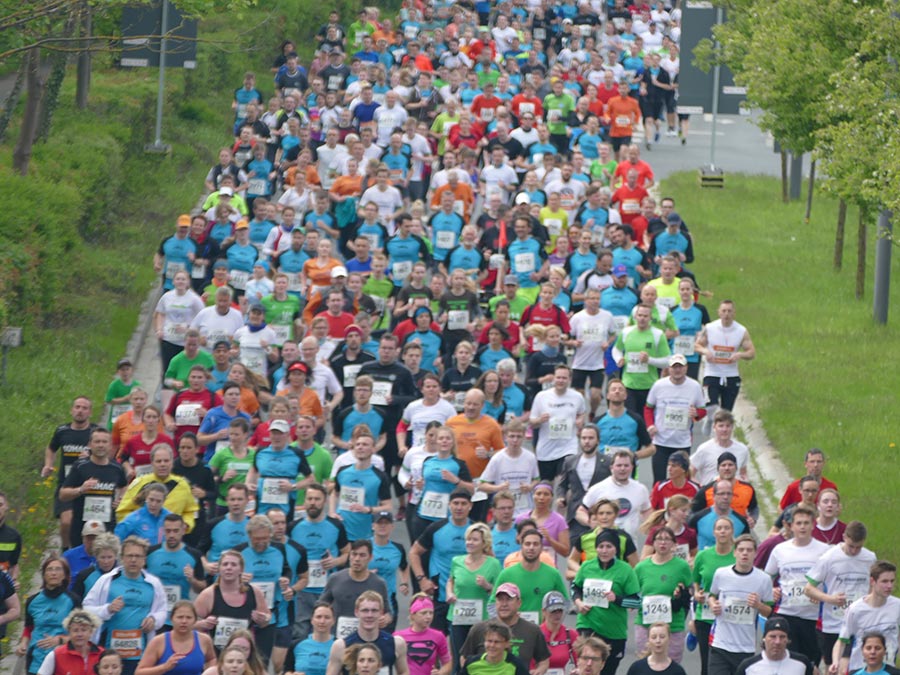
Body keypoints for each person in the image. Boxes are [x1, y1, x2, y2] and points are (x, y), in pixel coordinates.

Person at [83, 536, 167, 675]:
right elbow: (86, 608)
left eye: (138, 556)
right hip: (110, 652)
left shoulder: (153, 583)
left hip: (140, 652)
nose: (133, 560)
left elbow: (163, 611)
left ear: (144, 559)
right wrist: (107, 609)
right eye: (129, 556)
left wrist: (153, 619)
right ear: (122, 558)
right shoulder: (107, 580)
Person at [764, 505, 831, 665]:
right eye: (798, 523)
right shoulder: (780, 550)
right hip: (787, 613)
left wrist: (822, 595)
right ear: (791, 526)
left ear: (813, 525)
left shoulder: (825, 551)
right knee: (788, 661)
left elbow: (832, 580)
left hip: (813, 616)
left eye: (806, 523)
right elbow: (766, 577)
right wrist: (771, 590)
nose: (802, 527)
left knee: (810, 663)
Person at [805, 520, 877, 670]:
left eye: (858, 547)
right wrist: (830, 599)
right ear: (844, 537)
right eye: (851, 546)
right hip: (833, 624)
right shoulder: (828, 558)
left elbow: (873, 586)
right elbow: (809, 589)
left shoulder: (870, 558)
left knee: (857, 667)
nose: (854, 551)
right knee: (832, 667)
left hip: (859, 623)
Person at [707, 535, 775, 675]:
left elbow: (770, 612)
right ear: (735, 552)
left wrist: (758, 605)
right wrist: (713, 605)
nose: (745, 553)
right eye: (741, 550)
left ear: (755, 554)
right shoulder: (721, 574)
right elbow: (711, 596)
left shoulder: (763, 579)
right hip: (720, 643)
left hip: (745, 646)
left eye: (749, 550)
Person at [290, 484, 350, 640]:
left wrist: (335, 561)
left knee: (328, 633)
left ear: (324, 501)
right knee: (300, 633)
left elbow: (347, 553)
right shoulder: (294, 527)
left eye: (317, 499)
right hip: (302, 591)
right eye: (309, 499)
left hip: (328, 590)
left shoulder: (336, 526)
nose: (313, 503)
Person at [409, 488, 474, 634]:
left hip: (468, 599)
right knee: (436, 640)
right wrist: (421, 579)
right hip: (440, 595)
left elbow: (489, 558)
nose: (459, 507)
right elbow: (414, 552)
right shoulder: (436, 528)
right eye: (455, 503)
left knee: (464, 644)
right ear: (449, 505)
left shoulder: (476, 530)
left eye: (463, 504)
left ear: (470, 506)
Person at [43, 396, 100, 550]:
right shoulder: (62, 431)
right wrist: (48, 464)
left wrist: (91, 455)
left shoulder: (95, 432)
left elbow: (106, 453)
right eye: (77, 407)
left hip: (89, 486)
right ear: (71, 410)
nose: (80, 411)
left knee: (85, 525)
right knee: (66, 521)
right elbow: (51, 448)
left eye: (84, 408)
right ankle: (65, 550)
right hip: (66, 484)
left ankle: (83, 551)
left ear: (90, 412)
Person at [58, 428, 128, 548]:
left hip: (107, 525)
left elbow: (124, 485)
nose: (101, 445)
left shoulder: (117, 468)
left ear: (110, 445)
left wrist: (121, 499)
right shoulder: (80, 466)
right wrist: (80, 490)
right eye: (97, 441)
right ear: (90, 444)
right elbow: (62, 495)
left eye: (104, 442)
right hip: (82, 526)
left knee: (106, 557)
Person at [633, 528, 693, 663]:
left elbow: (689, 593)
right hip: (645, 624)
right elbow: (632, 594)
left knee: (670, 666)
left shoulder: (682, 566)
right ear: (653, 543)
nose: (663, 543)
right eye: (659, 539)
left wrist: (681, 595)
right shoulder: (641, 567)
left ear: (674, 544)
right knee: (645, 664)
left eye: (667, 539)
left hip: (673, 625)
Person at [644, 353, 706, 484]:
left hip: (682, 442)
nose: (677, 370)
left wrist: (696, 413)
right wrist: (650, 425)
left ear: (686, 368)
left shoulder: (694, 386)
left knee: (681, 480)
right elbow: (648, 408)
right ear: (669, 368)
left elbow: (702, 410)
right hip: (661, 441)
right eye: (674, 367)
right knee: (659, 481)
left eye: (680, 367)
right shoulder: (659, 385)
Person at [459, 584, 551, 671]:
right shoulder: (479, 629)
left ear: (519, 603)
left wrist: (539, 671)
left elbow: (543, 660)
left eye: (509, 599)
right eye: (500, 599)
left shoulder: (532, 630)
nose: (504, 604)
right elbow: (464, 658)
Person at [194, 549, 271, 653]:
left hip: (244, 654)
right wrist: (203, 624)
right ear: (219, 569)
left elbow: (266, 619)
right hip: (216, 654)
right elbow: (190, 624)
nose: (229, 568)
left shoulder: (254, 592)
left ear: (241, 569)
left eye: (233, 565)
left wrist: (263, 619)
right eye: (225, 564)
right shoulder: (208, 595)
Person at [115, 445, 200, 535]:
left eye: (166, 461)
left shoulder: (183, 485)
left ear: (172, 462)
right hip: (142, 539)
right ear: (152, 463)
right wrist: (137, 528)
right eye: (158, 461)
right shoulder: (140, 483)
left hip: (171, 537)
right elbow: (122, 512)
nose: (162, 464)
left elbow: (190, 511)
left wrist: (186, 524)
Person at [834, 561, 900, 675]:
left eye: (892, 581)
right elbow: (842, 640)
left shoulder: (897, 606)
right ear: (872, 581)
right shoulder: (855, 609)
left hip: (887, 669)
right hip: (860, 669)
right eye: (884, 581)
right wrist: (836, 662)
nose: (889, 586)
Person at [446, 523, 502, 658]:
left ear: (484, 543)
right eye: (468, 539)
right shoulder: (457, 561)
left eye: (475, 540)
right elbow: (451, 580)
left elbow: (500, 592)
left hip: (482, 619)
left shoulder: (493, 564)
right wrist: (449, 593)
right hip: (458, 616)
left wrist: (487, 586)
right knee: (459, 657)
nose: (470, 543)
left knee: (479, 658)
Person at [19, 555, 80, 675]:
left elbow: (81, 632)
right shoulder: (32, 601)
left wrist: (60, 640)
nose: (53, 573)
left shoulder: (73, 600)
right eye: (49, 569)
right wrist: (23, 643)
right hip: (36, 658)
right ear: (44, 575)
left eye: (58, 569)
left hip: (63, 658)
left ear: (64, 575)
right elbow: (29, 628)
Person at [694, 300, 756, 418]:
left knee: (726, 414)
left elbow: (751, 352)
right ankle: (711, 427)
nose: (726, 314)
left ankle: (724, 429)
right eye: (724, 311)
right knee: (711, 409)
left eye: (729, 311)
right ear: (719, 312)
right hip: (711, 375)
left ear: (734, 313)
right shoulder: (710, 328)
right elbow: (696, 346)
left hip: (731, 376)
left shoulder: (741, 330)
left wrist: (740, 355)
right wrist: (706, 351)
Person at [690, 516, 736, 675]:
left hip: (730, 615)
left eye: (726, 528)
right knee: (707, 662)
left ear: (732, 531)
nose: (723, 531)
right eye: (719, 528)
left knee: (728, 661)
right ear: (714, 532)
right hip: (705, 616)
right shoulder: (703, 555)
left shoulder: (737, 555)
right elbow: (695, 580)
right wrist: (697, 592)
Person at [492, 530, 569, 623]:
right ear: (521, 547)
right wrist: (502, 626)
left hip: (543, 630)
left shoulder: (553, 574)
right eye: (527, 544)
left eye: (535, 544)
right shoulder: (506, 574)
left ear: (542, 548)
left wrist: (554, 625)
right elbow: (492, 604)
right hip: (513, 629)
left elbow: (565, 602)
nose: (531, 548)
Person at [324, 591, 409, 675]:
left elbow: (404, 672)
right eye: (365, 610)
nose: (369, 615)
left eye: (374, 610)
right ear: (356, 612)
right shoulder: (341, 646)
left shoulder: (396, 643)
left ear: (381, 613)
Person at [319, 541, 391, 636]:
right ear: (349, 556)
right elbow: (321, 605)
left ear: (370, 557)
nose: (357, 559)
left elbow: (388, 612)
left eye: (362, 555)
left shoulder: (378, 583)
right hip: (337, 636)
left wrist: (385, 619)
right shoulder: (335, 579)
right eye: (354, 554)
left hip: (367, 637)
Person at [578, 450, 651, 542]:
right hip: (603, 543)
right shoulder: (598, 488)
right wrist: (590, 522)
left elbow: (647, 511)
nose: (622, 469)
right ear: (611, 468)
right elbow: (580, 512)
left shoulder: (640, 489)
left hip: (630, 542)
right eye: (619, 465)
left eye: (626, 465)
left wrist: (649, 527)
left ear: (632, 467)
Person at [529, 365, 586, 481]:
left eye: (564, 378)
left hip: (568, 447)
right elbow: (532, 422)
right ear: (553, 378)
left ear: (569, 380)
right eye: (558, 377)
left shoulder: (577, 397)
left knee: (562, 482)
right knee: (546, 485)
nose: (561, 381)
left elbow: (582, 413)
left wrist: (580, 420)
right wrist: (539, 420)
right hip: (546, 449)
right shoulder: (541, 397)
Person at [613, 304, 670, 415]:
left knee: (644, 419)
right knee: (631, 417)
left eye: (645, 316)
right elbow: (616, 349)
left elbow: (667, 361)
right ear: (635, 316)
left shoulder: (658, 334)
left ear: (650, 317)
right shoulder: (626, 332)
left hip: (649, 385)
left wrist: (649, 360)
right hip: (628, 383)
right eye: (640, 315)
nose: (642, 318)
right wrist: (618, 359)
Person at [569, 288, 617, 418]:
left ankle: (593, 412)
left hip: (598, 363)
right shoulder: (577, 317)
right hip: (580, 363)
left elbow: (613, 334)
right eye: (592, 298)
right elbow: (567, 337)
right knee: (579, 395)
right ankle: (580, 416)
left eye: (597, 299)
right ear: (585, 300)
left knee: (595, 395)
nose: (595, 301)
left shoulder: (607, 316)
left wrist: (608, 342)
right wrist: (573, 343)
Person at [557, 426, 611, 542]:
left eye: (591, 438)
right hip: (575, 514)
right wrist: (561, 497)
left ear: (598, 440)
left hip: (600, 514)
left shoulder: (607, 462)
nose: (587, 441)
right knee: (575, 548)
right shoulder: (570, 461)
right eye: (584, 438)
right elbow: (562, 485)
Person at [135, 600, 216, 675]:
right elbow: (139, 672)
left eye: (189, 617)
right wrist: (164, 667)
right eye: (180, 617)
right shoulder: (158, 641)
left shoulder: (204, 640)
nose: (184, 621)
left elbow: (212, 659)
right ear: (171, 619)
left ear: (195, 620)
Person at [595, 379, 655, 460]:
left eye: (620, 389)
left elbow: (651, 448)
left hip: (628, 466)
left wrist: (634, 455)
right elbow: (589, 445)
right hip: (604, 465)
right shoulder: (598, 421)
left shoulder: (636, 420)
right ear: (607, 395)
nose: (617, 391)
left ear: (625, 396)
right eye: (613, 389)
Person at [394, 594, 452, 675]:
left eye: (431, 613)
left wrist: (440, 673)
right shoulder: (398, 637)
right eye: (423, 613)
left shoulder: (438, 636)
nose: (428, 617)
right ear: (412, 615)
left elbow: (448, 663)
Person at [735, 617, 814, 675]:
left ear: (787, 640)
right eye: (772, 637)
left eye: (782, 637)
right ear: (764, 638)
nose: (777, 642)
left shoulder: (802, 663)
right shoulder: (748, 666)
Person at [35, 608, 103, 675]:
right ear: (69, 632)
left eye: (84, 630)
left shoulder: (102, 654)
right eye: (75, 630)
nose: (79, 634)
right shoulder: (56, 655)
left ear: (91, 632)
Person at [691, 410, 749, 487]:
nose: (724, 430)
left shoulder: (742, 449)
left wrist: (745, 483)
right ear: (714, 427)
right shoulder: (704, 449)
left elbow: (743, 473)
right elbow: (691, 473)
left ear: (732, 427)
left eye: (728, 426)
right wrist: (701, 488)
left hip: (734, 491)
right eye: (721, 426)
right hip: (710, 491)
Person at [688, 480, 750, 551]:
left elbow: (747, 547)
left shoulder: (742, 522)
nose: (725, 497)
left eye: (729, 494)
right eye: (721, 494)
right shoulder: (697, 519)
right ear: (713, 496)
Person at [285, 602, 335, 675]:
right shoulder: (296, 645)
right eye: (318, 617)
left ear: (333, 621)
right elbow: (286, 670)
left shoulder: (340, 646)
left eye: (327, 617)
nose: (322, 621)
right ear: (312, 620)